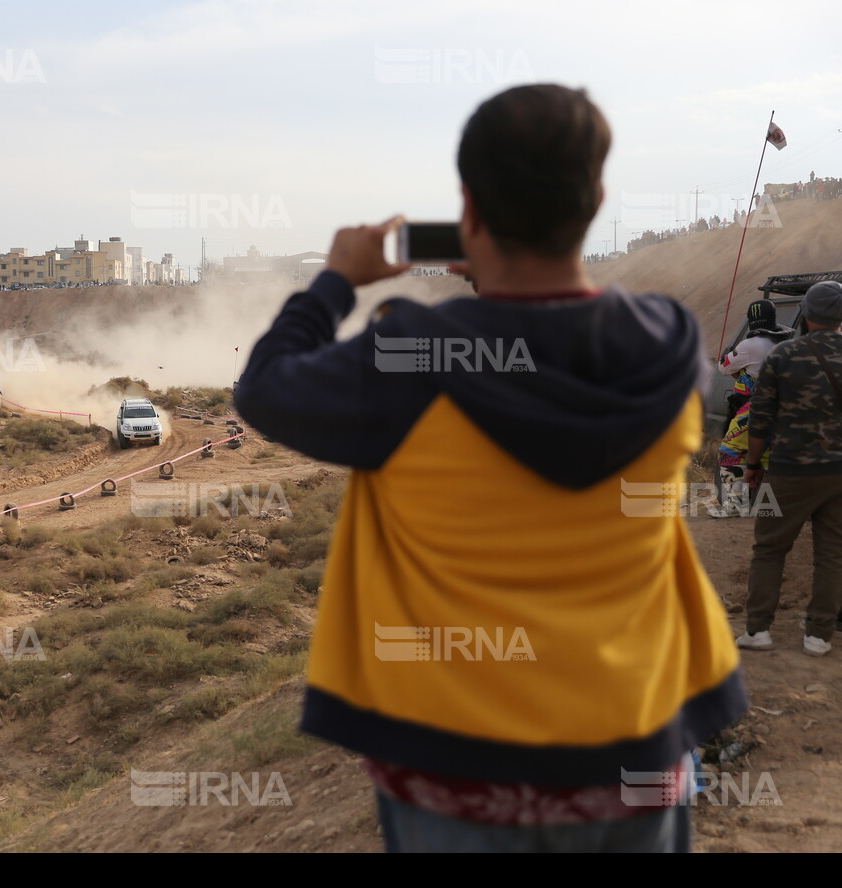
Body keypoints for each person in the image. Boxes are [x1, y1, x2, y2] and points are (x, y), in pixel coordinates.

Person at [234, 84, 745, 853]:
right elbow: (577, 351)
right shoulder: (667, 346)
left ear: (468, 208)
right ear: (596, 199)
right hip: (634, 747)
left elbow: (266, 388)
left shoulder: (408, 360)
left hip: (456, 770)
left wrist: (336, 278)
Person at [738, 281, 842, 656]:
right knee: (832, 553)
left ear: (808, 314)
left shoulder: (782, 356)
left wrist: (752, 465)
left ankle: (758, 631)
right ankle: (819, 636)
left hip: (788, 470)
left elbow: (760, 417)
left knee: (769, 547)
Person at [712, 299, 795, 517]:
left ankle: (734, 506)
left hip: (754, 408)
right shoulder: (782, 343)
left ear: (751, 319)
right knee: (767, 456)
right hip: (779, 408)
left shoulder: (749, 346)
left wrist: (728, 356)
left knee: (730, 449)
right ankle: (777, 507)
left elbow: (723, 368)